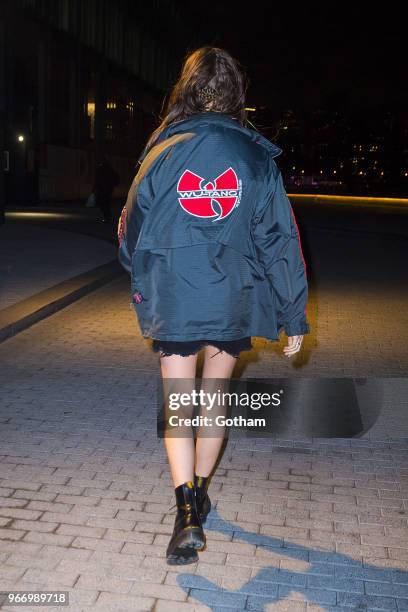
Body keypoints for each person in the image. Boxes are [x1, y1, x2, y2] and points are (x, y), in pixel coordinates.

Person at [118, 46, 311, 565]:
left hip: (176, 294)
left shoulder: (161, 151)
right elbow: (279, 240)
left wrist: (136, 267)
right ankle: (200, 490)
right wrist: (293, 314)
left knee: (179, 402)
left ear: (186, 90)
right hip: (231, 296)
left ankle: (185, 512)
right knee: (213, 396)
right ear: (235, 96)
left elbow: (131, 224)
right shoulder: (254, 158)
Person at [93, 156, 119, 222]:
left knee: (102, 203)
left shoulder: (100, 169)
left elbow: (97, 179)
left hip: (102, 188)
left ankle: (106, 216)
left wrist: (94, 189)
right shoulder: (110, 169)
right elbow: (115, 177)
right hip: (108, 188)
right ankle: (107, 216)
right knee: (106, 202)